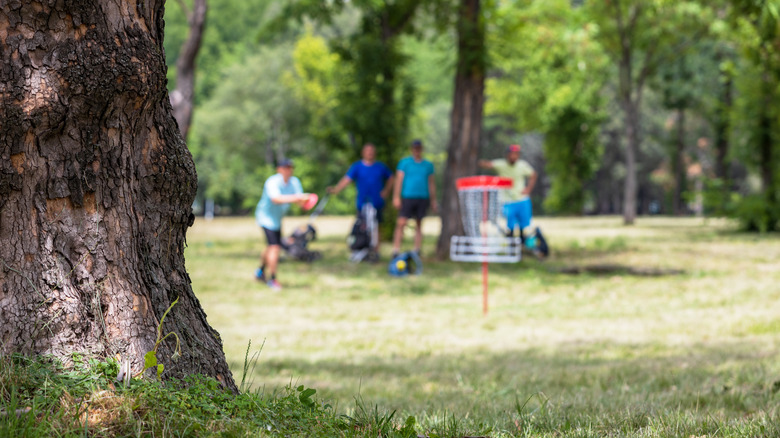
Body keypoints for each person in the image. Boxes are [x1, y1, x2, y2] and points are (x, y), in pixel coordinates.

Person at [255, 159, 312, 291]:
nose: (289, 170)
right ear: (279, 169)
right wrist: (297, 198)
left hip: (277, 219)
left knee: (271, 246)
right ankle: (273, 279)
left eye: (291, 167)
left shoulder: (294, 182)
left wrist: (306, 202)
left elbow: (300, 201)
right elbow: (276, 199)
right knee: (275, 247)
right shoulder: (272, 182)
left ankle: (260, 272)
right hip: (265, 218)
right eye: (286, 167)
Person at [327, 143, 394, 255]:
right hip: (362, 202)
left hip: (377, 201)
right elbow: (347, 179)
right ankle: (361, 248)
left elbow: (391, 178)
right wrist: (337, 189)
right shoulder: (357, 166)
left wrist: (386, 191)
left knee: (377, 226)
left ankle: (376, 251)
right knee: (360, 226)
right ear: (363, 153)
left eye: (372, 151)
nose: (370, 153)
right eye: (367, 151)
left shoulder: (380, 167)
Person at [478, 144, 538, 241]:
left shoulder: (522, 165)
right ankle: (511, 246)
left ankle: (523, 246)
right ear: (507, 155)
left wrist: (528, 189)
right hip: (507, 201)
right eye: (511, 154)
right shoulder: (501, 164)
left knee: (524, 227)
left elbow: (533, 175)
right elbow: (488, 164)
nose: (514, 156)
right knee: (510, 226)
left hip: (522, 200)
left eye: (516, 154)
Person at [392, 139, 437, 258]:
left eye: (419, 148)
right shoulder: (404, 163)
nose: (417, 150)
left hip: (422, 197)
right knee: (401, 222)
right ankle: (396, 249)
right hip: (407, 196)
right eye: (415, 148)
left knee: (419, 223)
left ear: (421, 149)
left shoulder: (428, 165)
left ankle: (417, 250)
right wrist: (396, 197)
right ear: (411, 149)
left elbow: (431, 183)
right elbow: (399, 181)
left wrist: (433, 200)